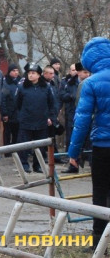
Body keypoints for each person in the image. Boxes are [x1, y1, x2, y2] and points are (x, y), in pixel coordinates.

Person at [67, 37, 110, 250]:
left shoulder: (91, 83)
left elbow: (82, 121)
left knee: (100, 193)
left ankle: (98, 243)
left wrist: (74, 152)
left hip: (103, 146)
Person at [17, 63, 57, 174]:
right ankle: (24, 165)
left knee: (40, 146)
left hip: (41, 121)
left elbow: (51, 103)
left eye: (33, 73)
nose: (30, 75)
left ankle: (37, 165)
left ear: (39, 75)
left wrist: (50, 117)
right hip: (26, 120)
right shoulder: (22, 87)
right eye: (29, 73)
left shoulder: (46, 87)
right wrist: (22, 116)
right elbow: (18, 104)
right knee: (24, 145)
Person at [1, 64, 21, 155]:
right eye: (13, 71)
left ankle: (15, 150)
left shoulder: (19, 82)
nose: (16, 72)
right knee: (7, 133)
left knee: (16, 133)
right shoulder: (5, 83)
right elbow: (3, 99)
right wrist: (4, 113)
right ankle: (7, 151)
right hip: (8, 113)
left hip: (18, 113)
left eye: (17, 70)